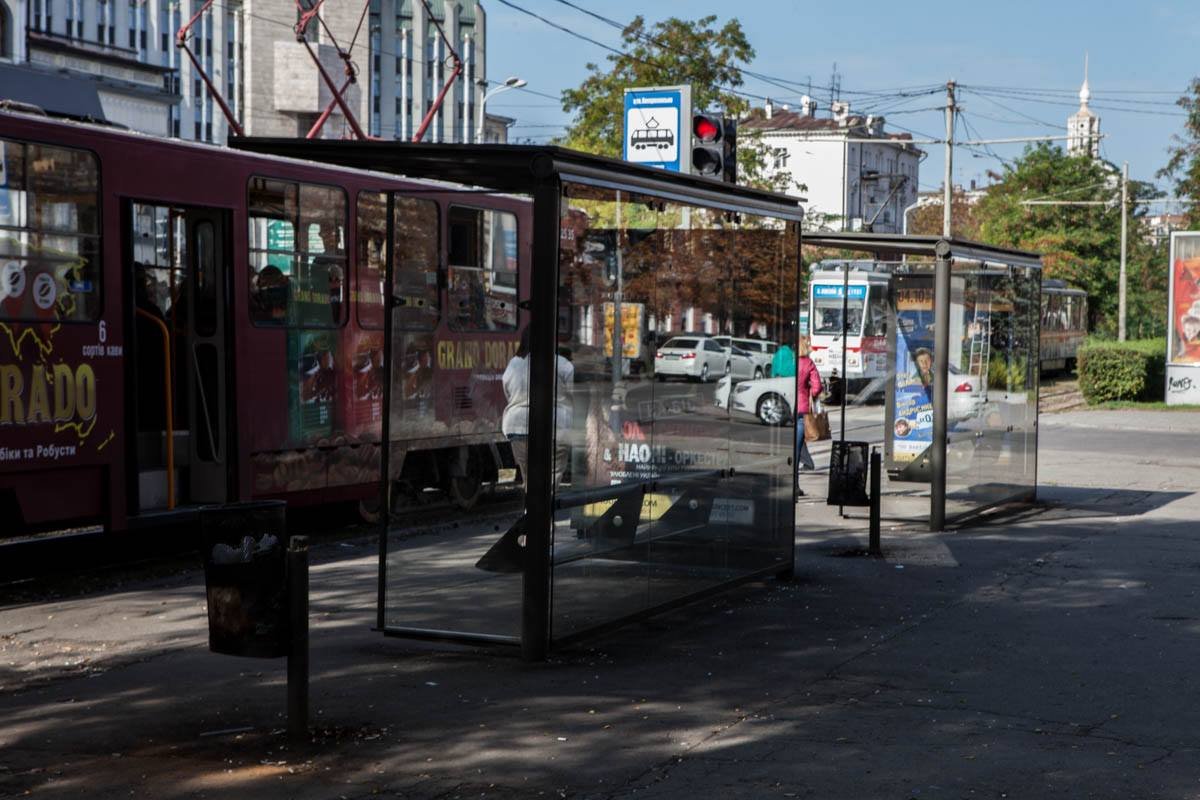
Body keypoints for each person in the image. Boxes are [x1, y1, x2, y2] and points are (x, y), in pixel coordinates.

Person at [502, 326, 575, 488]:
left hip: (518, 426)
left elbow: (508, 392)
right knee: (551, 479)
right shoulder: (563, 365)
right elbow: (574, 394)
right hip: (556, 427)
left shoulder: (514, 365)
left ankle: (532, 510)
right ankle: (545, 511)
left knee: (530, 480)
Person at [794, 336, 823, 490]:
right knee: (797, 451)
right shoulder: (808, 363)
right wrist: (809, 392)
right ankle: (795, 486)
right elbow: (817, 387)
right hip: (801, 409)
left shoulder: (790, 362)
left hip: (786, 408)